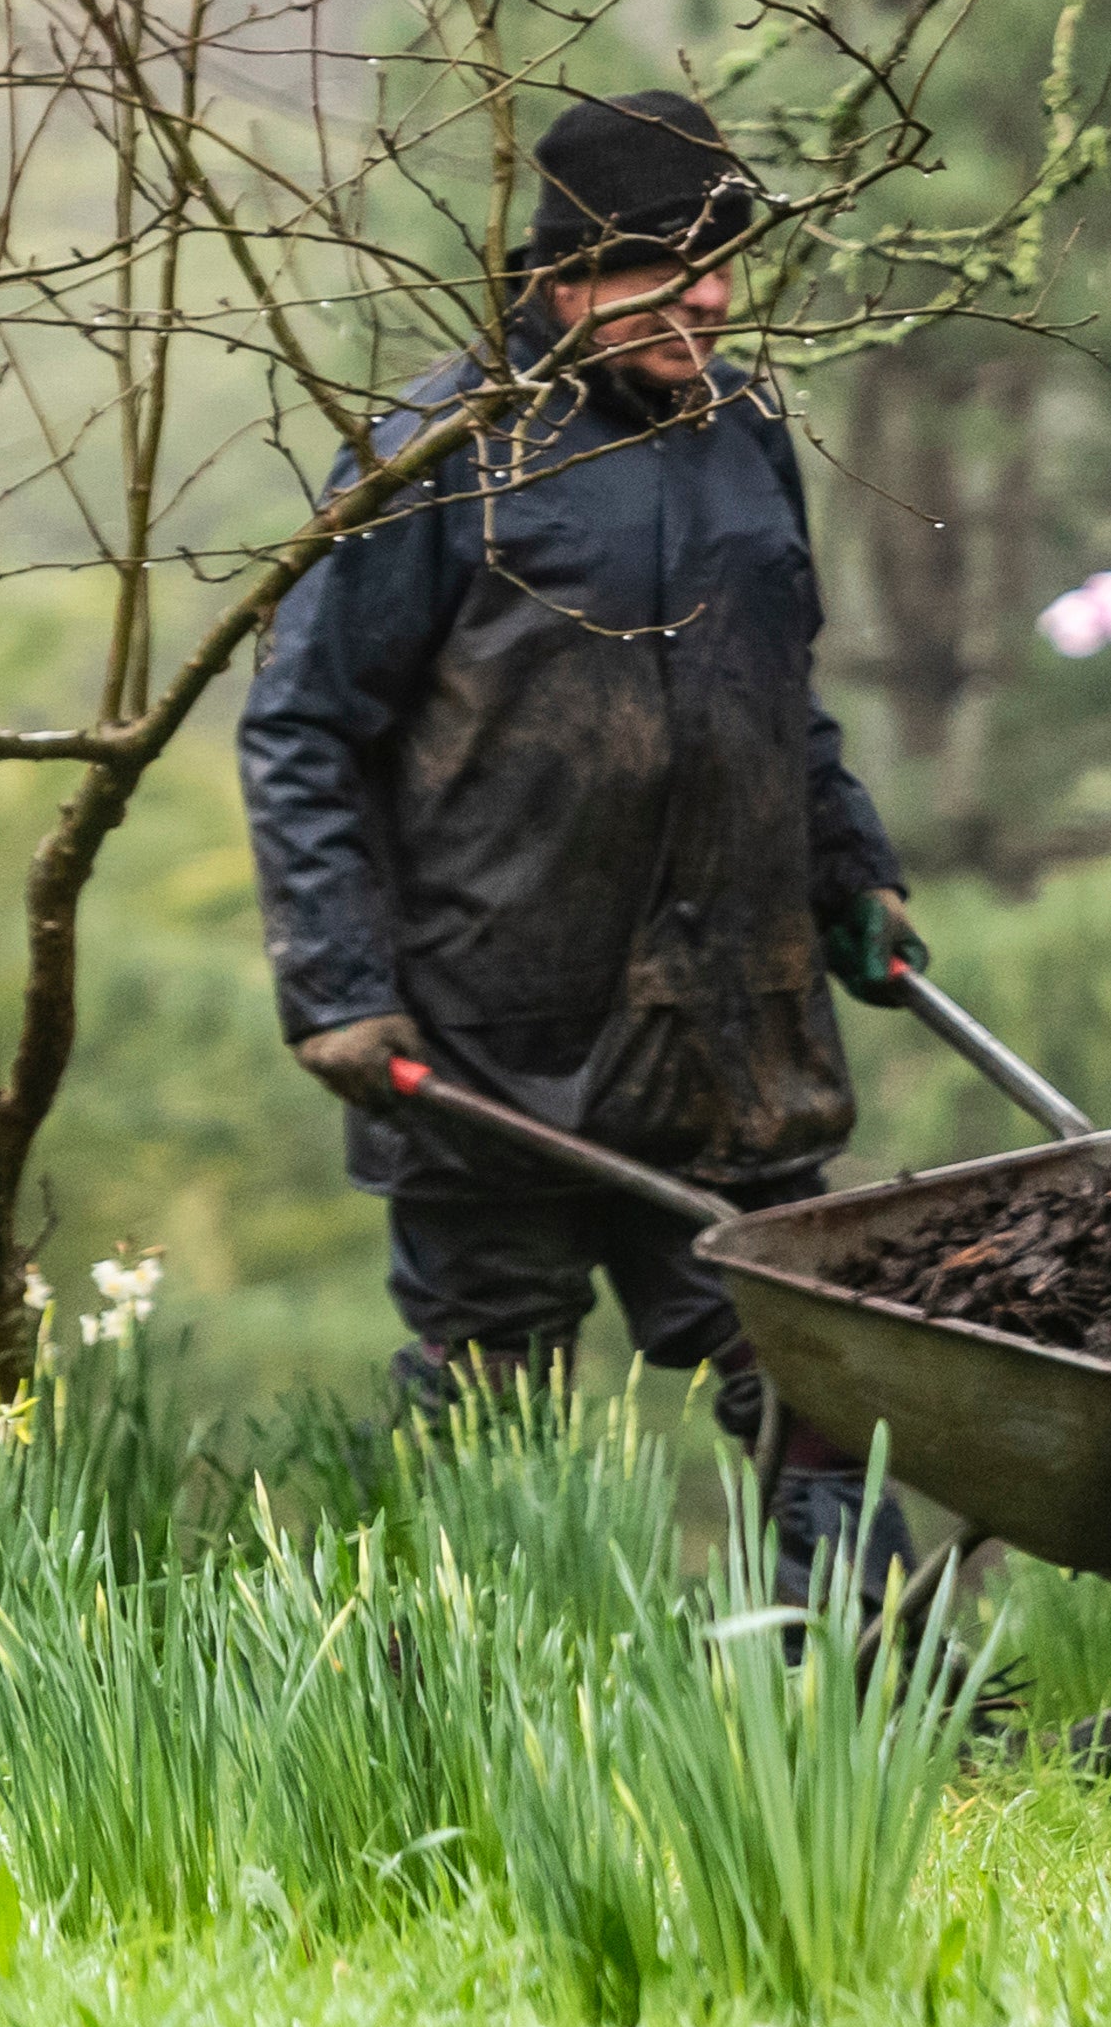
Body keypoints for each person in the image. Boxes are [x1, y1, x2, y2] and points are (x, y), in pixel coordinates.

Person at [239, 90, 933, 1599]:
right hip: (495, 1053)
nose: (713, 296)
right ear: (567, 278)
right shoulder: (445, 452)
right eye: (671, 267)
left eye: (723, 263)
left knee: (814, 1386)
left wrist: (853, 872)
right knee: (492, 1422)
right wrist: (337, 986)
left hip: (735, 1037)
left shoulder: (747, 433)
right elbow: (302, 726)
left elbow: (779, 698)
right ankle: (461, 1700)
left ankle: (873, 1690)